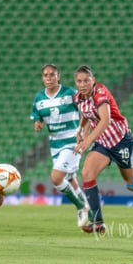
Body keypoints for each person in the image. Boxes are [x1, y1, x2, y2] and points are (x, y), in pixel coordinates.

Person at [73, 65, 133, 233]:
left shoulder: (100, 92)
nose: (83, 84)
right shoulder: (78, 98)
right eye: (79, 81)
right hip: (103, 143)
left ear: (93, 80)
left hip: (122, 141)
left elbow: (105, 120)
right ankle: (98, 221)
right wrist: (81, 131)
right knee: (87, 173)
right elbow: (86, 115)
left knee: (131, 183)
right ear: (76, 83)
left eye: (86, 80)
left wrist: (86, 142)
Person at [30, 64, 91, 227]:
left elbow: (86, 112)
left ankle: (81, 207)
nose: (49, 78)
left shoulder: (71, 93)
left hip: (72, 140)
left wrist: (84, 134)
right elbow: (38, 116)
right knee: (70, 178)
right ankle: (92, 215)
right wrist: (38, 123)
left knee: (56, 178)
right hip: (55, 143)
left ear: (58, 76)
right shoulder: (39, 98)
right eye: (45, 75)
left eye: (52, 75)